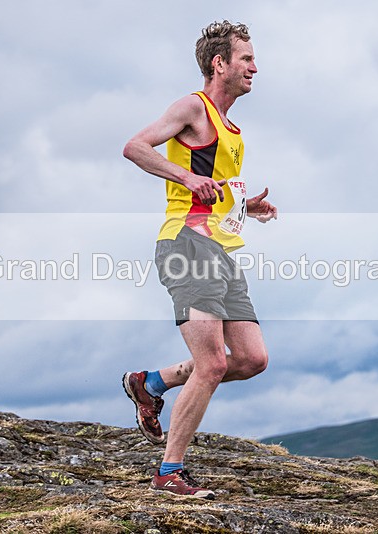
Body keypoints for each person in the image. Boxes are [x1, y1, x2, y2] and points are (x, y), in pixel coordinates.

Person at [122, 20, 278, 499]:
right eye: (246, 58)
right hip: (186, 246)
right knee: (210, 364)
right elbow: (135, 147)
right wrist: (184, 179)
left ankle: (150, 382)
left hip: (223, 250)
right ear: (220, 63)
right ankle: (169, 472)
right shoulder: (194, 106)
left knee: (252, 359)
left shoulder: (232, 129)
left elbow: (214, 190)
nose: (255, 66)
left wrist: (245, 207)